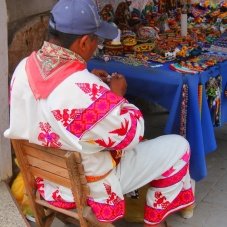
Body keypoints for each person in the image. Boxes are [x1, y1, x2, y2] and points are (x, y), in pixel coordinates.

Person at [4, 0, 195, 226]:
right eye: (97, 40)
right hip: (88, 185)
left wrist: (91, 81)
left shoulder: (23, 67)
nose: (97, 46)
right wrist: (117, 97)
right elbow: (132, 135)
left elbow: (54, 102)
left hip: (44, 178)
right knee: (179, 146)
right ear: (84, 41)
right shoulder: (84, 90)